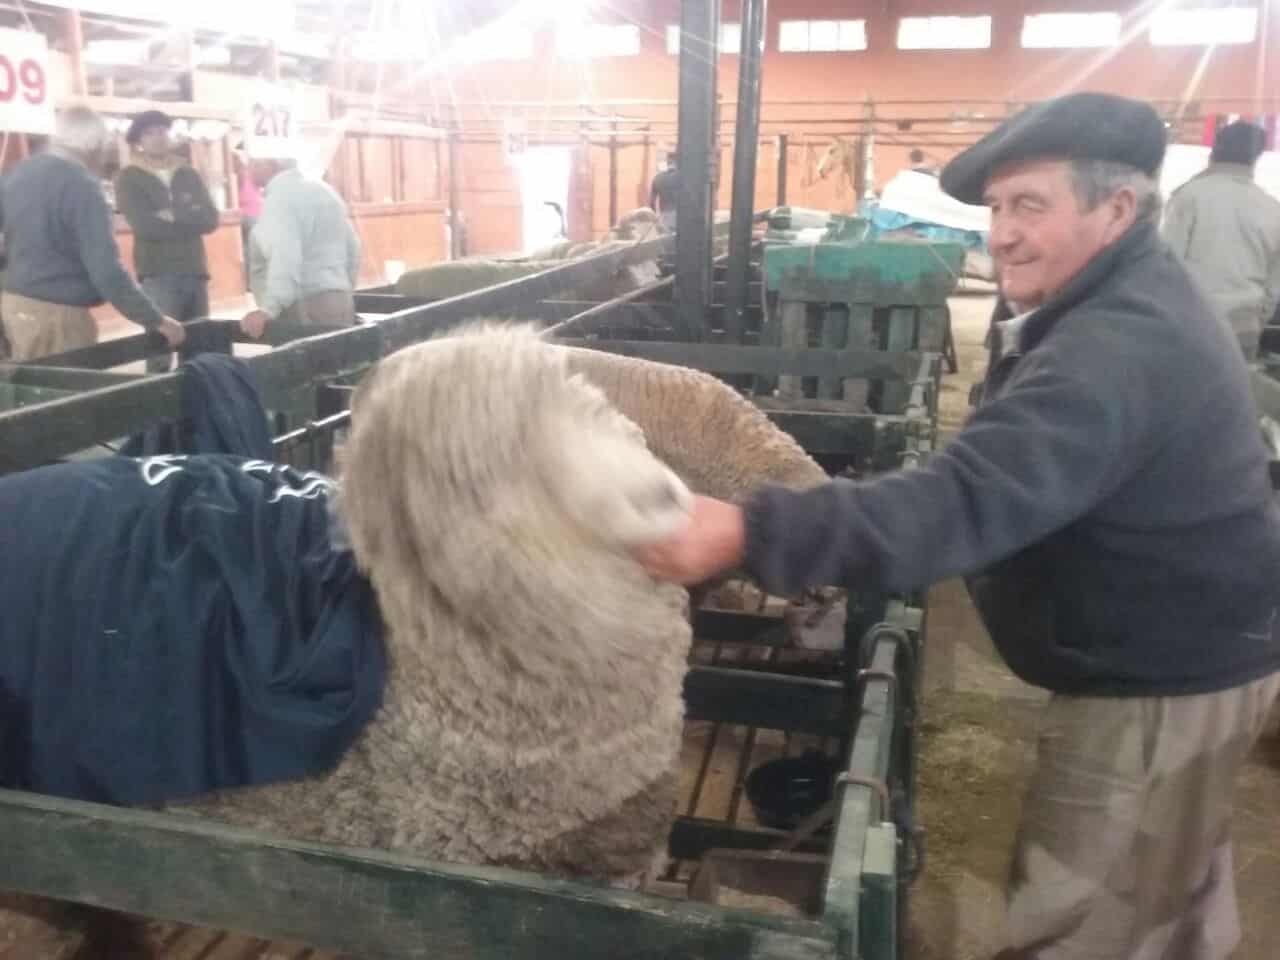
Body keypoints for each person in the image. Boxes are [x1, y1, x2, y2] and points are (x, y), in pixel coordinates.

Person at [637, 92, 1280, 960]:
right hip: (1188, 643)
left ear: (1117, 209)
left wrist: (751, 532)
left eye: (1032, 206)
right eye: (997, 209)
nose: (1003, 233)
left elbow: (967, 500)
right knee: (1166, 890)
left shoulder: (1116, 348)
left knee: (1085, 915)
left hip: (1162, 679)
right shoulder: (1109, 306)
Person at [0, 106, 183, 362]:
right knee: (68, 397)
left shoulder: (16, 174)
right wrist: (154, 319)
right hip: (58, 317)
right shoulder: (82, 186)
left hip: (12, 307)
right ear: (93, 145)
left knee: (27, 395)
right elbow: (106, 270)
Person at [1163, 120, 1280, 362]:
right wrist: (1256, 318)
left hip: (1192, 323)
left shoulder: (1190, 196)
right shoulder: (1272, 208)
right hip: (1244, 326)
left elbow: (1167, 265)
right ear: (1256, 157)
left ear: (1215, 149)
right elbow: (1273, 285)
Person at [115, 110, 219, 371]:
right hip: (157, 273)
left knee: (199, 349)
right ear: (138, 140)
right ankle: (159, 409)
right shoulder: (128, 177)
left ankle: (197, 407)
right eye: (150, 133)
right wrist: (189, 217)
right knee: (160, 347)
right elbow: (145, 226)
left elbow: (210, 219)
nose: (158, 138)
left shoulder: (187, 173)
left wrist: (173, 216)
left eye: (162, 131)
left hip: (195, 270)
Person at [239, 141, 361, 339]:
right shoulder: (326, 191)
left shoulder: (278, 201)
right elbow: (353, 248)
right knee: (342, 366)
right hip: (340, 300)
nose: (248, 168)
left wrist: (269, 309)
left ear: (270, 163)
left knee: (309, 368)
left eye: (252, 161)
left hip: (305, 306)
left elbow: (285, 257)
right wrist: (344, 287)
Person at [649, 153, 679, 232]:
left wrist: (655, 219)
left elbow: (651, 202)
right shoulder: (684, 177)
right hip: (681, 217)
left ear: (667, 162)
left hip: (664, 217)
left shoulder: (657, 178)